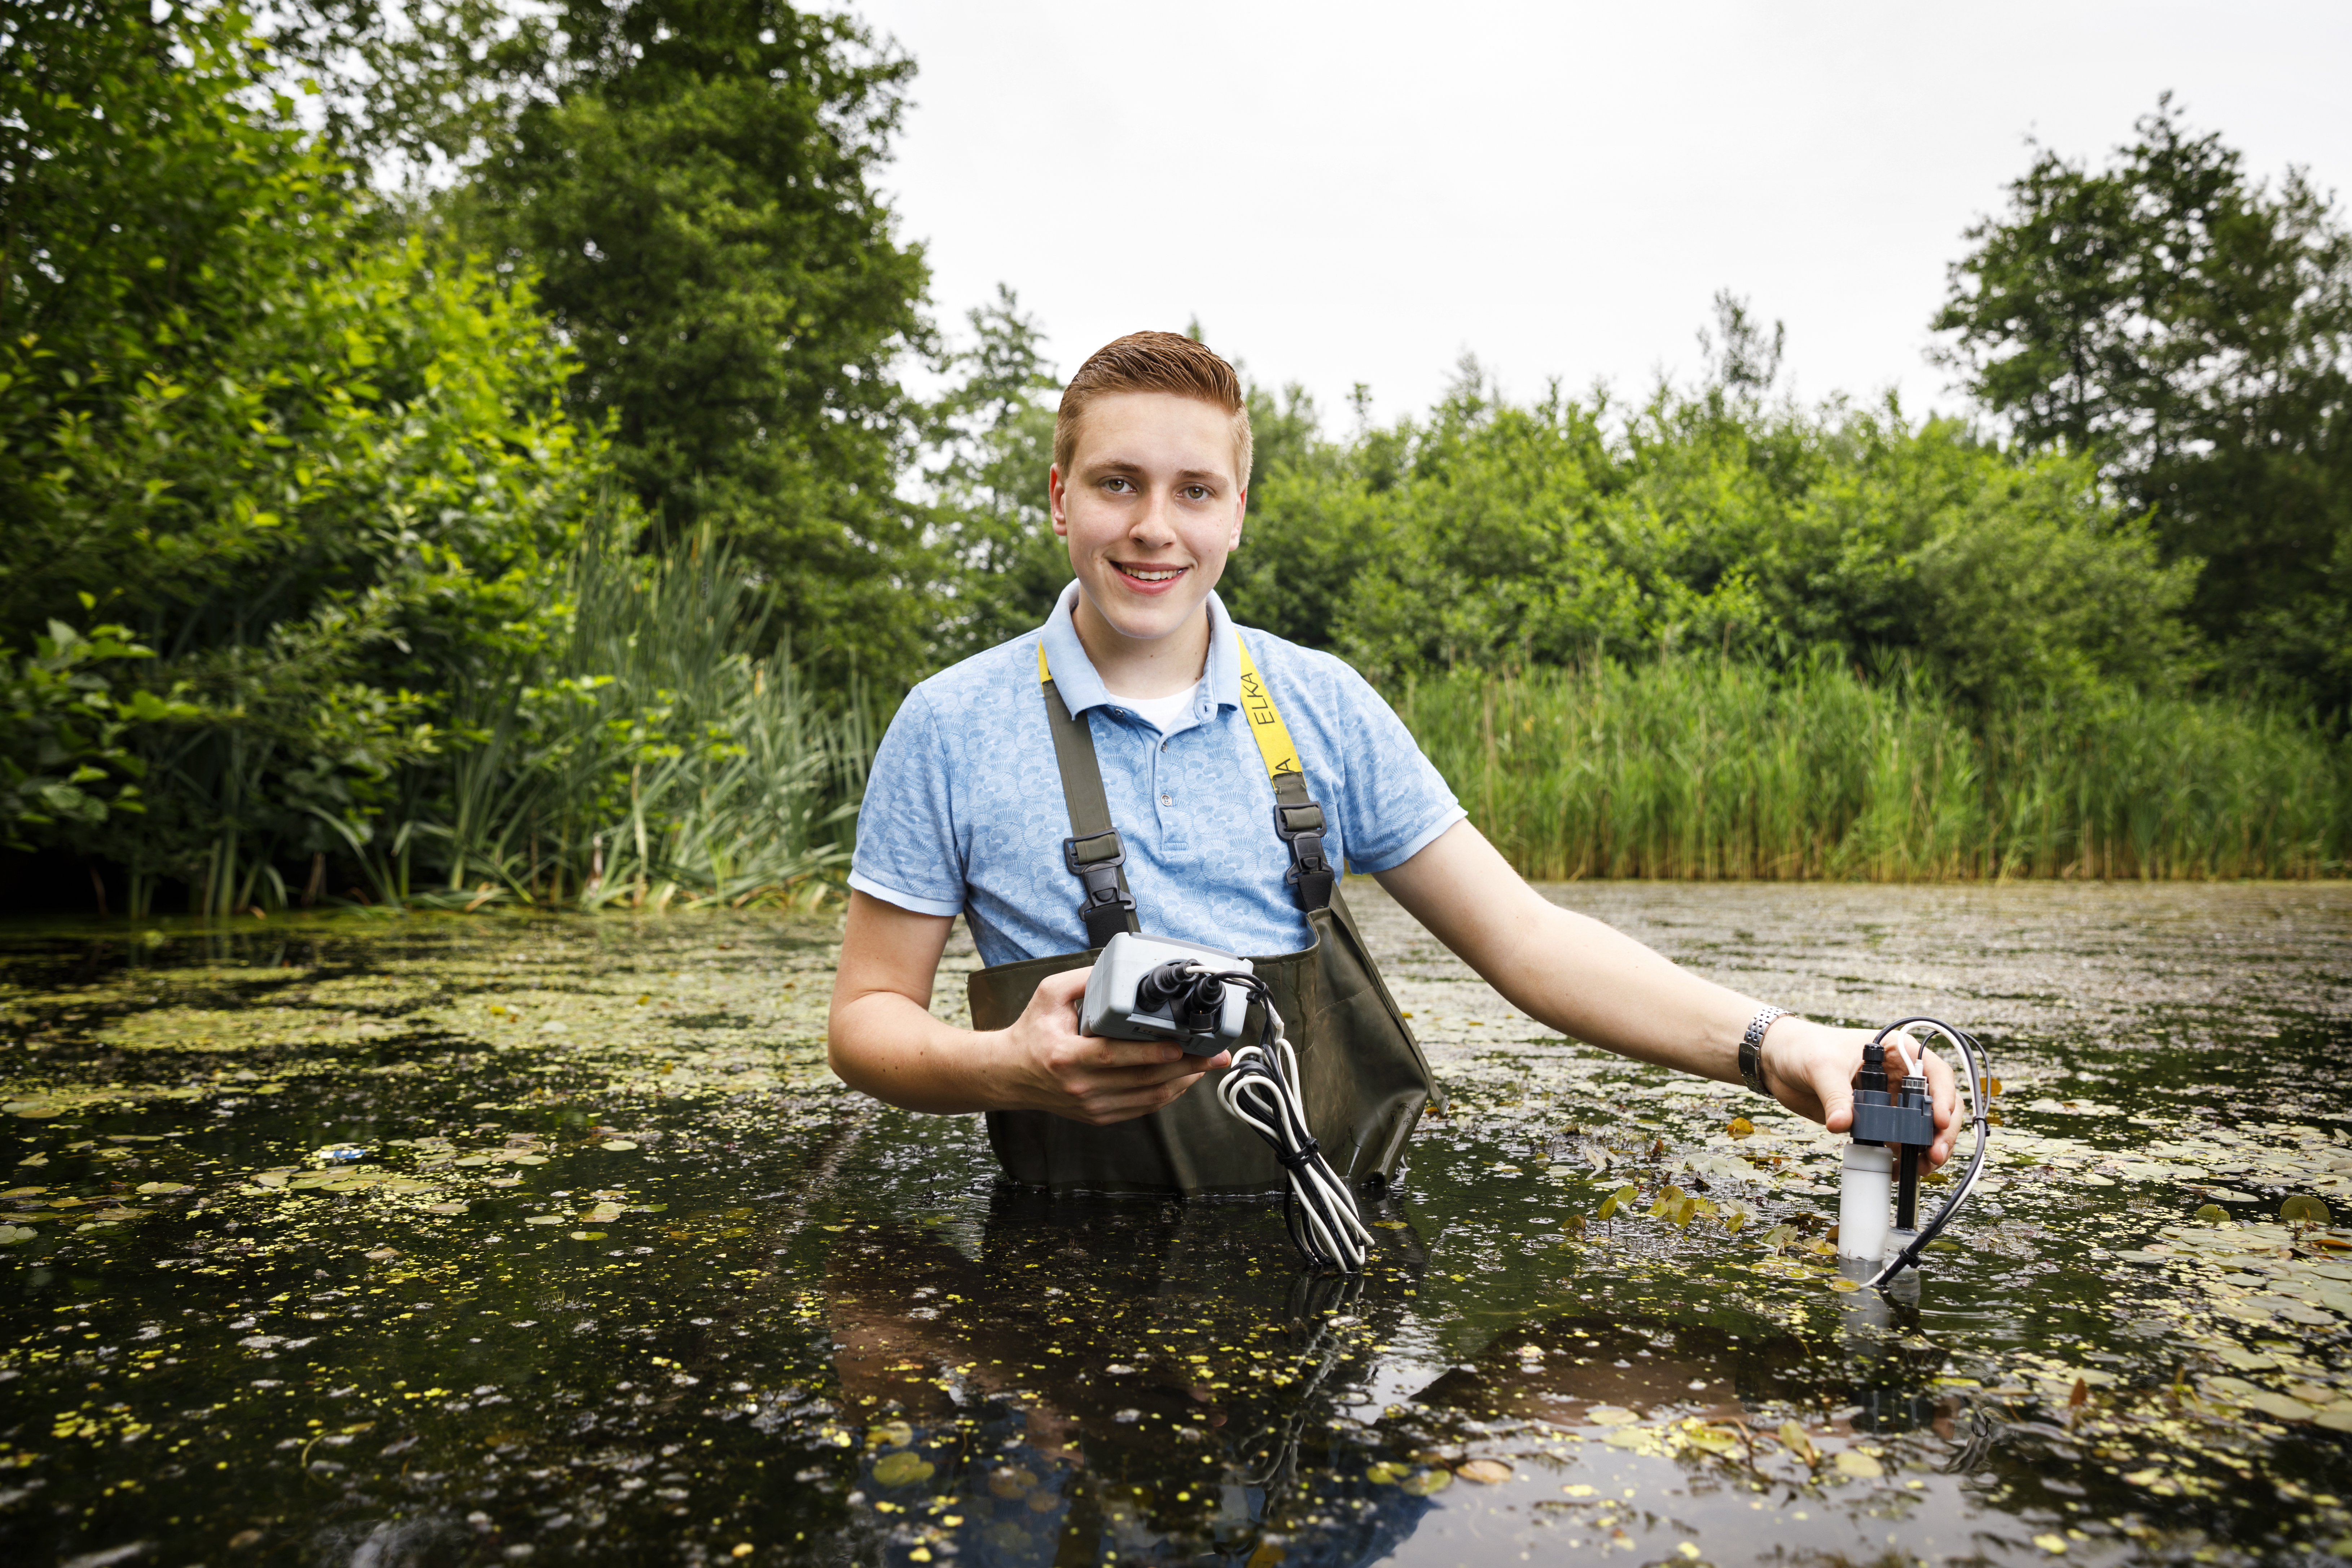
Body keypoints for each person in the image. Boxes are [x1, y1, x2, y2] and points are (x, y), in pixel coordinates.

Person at [828, 331, 1957, 1185]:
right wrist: (1011, 1069)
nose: (1153, 528)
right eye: (1117, 483)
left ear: (1238, 511)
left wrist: (1782, 1045)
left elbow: (1526, 941)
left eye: (1195, 490)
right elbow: (867, 1018)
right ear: (1059, 497)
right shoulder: (949, 723)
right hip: (1057, 1298)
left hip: (1336, 1243)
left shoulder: (1322, 704)